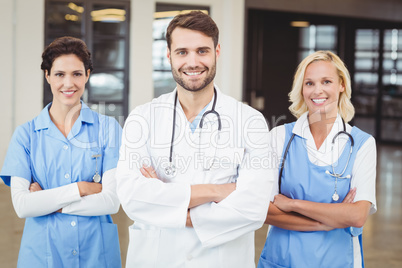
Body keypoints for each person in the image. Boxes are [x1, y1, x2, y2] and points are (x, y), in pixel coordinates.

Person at [116, 11, 273, 267]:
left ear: (217, 52)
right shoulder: (142, 118)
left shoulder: (249, 121)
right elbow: (133, 198)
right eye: (182, 52)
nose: (192, 62)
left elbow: (253, 208)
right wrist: (217, 192)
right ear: (168, 55)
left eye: (202, 51)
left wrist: (165, 202)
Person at [0, 36, 122, 267]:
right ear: (47, 75)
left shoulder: (109, 129)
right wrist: (82, 188)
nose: (69, 83)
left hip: (95, 254)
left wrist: (46, 201)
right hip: (43, 255)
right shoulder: (25, 135)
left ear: (87, 75)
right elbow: (23, 206)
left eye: (77, 74)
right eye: (59, 74)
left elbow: (111, 202)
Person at [257, 50, 377, 268]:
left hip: (338, 261)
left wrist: (292, 204)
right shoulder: (280, 137)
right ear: (301, 89)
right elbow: (262, 209)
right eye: (309, 83)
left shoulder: (362, 144)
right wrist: (327, 222)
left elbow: (357, 216)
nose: (317, 90)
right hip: (282, 260)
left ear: (341, 85)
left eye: (326, 81)